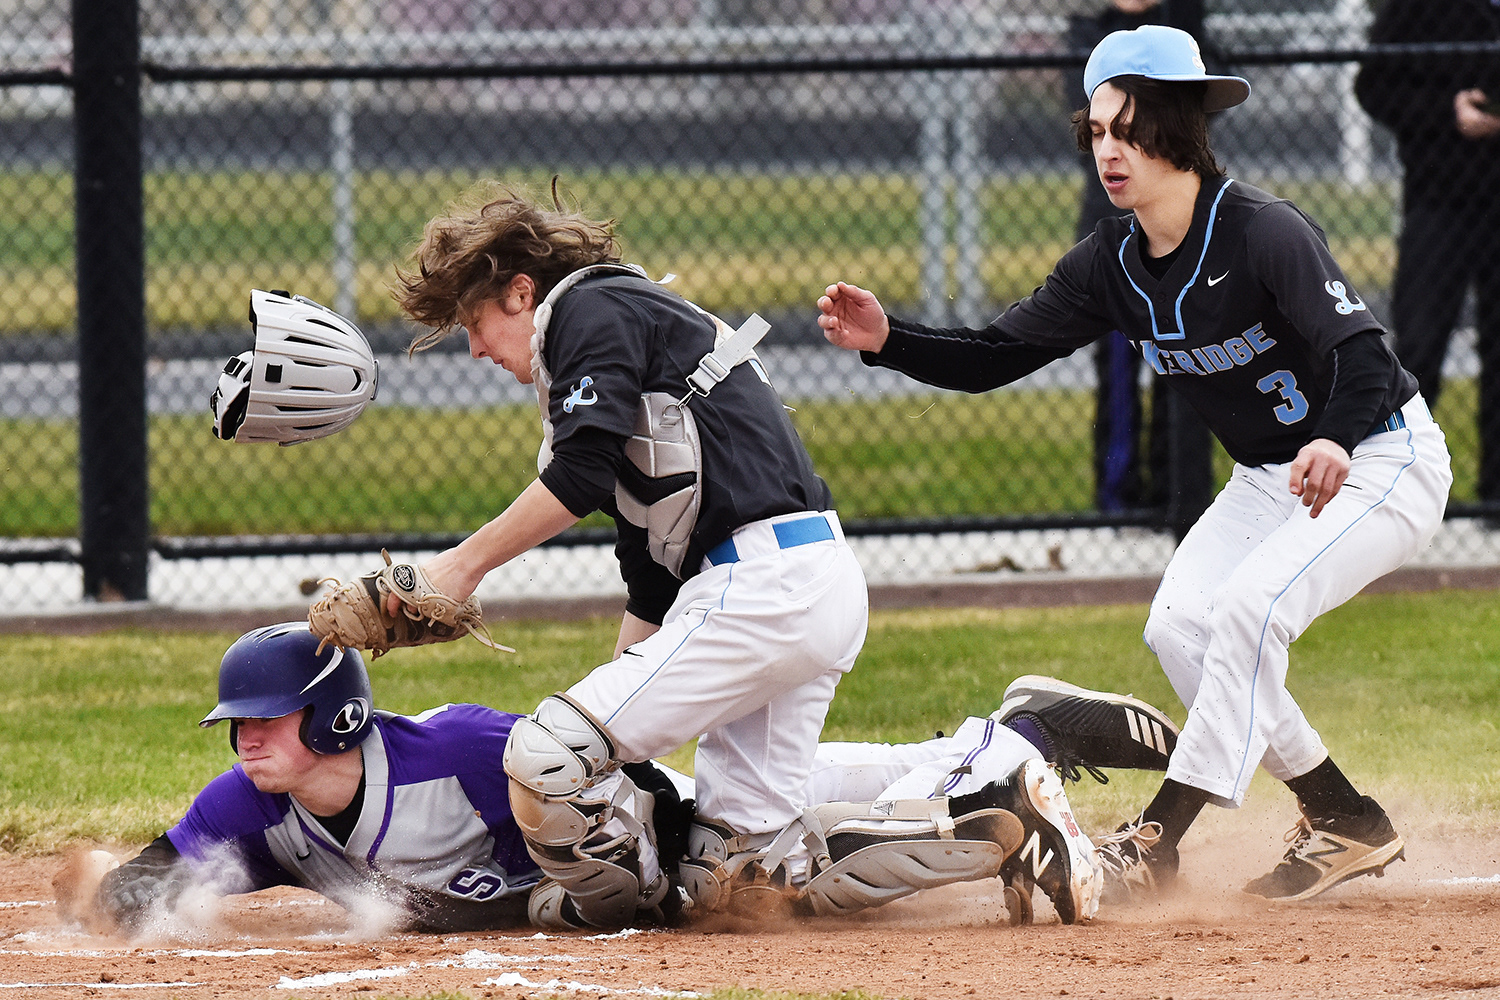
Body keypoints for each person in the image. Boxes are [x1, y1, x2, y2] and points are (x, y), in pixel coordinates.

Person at [356, 181, 1116, 928]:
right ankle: (991, 779)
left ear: (522, 292)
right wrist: (622, 723)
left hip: (761, 587)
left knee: (545, 757)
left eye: (475, 321)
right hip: (791, 580)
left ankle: (633, 905)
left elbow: (579, 473)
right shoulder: (626, 320)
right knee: (742, 873)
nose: (477, 346)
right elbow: (650, 574)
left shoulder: (588, 308)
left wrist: (459, 567)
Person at [817, 25, 1453, 903]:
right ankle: (1342, 816)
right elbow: (997, 353)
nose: (1109, 151)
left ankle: (1157, 839)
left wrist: (1336, 437)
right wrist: (890, 340)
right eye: (1098, 132)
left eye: (1129, 128)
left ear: (1181, 128)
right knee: (1181, 626)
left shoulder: (1263, 231)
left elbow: (1366, 354)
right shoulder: (1109, 263)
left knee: (1251, 608)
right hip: (1274, 476)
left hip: (1382, 455)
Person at [84, 623, 1184, 933]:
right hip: (632, 863)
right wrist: (102, 894)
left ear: (334, 714)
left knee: (769, 881)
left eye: (263, 722)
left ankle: (995, 783)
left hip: (652, 827)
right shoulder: (257, 811)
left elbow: (618, 777)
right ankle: (1011, 732)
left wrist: (683, 844)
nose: (242, 744)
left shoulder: (460, 749)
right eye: (236, 728)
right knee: (795, 819)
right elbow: (157, 879)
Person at [1069, 0, 1215, 522]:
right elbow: (1087, 113)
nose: (1110, 144)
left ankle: (1178, 498)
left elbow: (1200, 104)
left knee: (1186, 369)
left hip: (1181, 234)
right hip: (1117, 235)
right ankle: (1120, 500)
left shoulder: (1185, 29)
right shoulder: (1090, 38)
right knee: (1119, 371)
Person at [1354, 0, 1500, 503]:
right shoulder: (1417, 9)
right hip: (1439, 198)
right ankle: (1400, 493)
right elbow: (1372, 86)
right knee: (1419, 346)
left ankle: (1495, 498)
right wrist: (1448, 112)